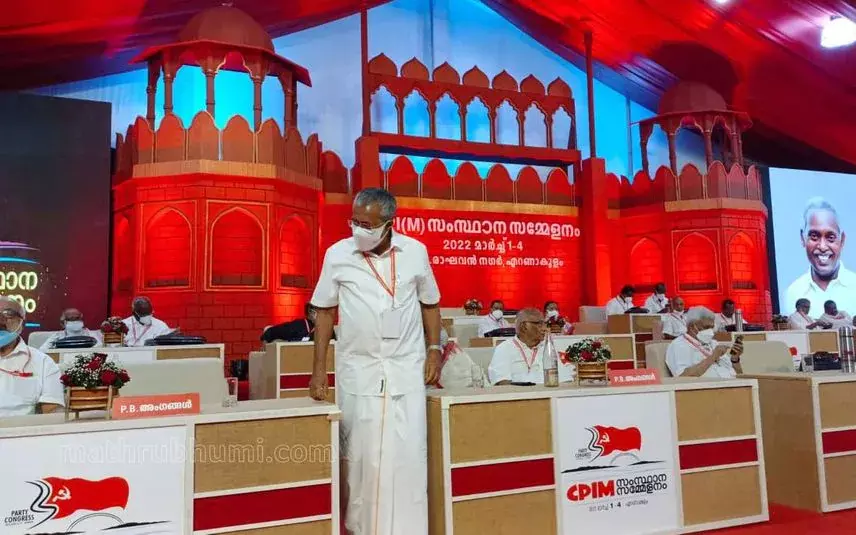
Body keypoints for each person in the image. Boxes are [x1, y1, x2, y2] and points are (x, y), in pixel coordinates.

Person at [308, 188, 442, 535]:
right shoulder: (338, 254)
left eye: (367, 224)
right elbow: (324, 312)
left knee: (408, 454)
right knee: (360, 458)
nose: (358, 230)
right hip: (359, 371)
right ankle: (361, 528)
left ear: (389, 224)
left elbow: (430, 303)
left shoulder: (415, 252)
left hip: (406, 368)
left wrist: (434, 349)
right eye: (354, 221)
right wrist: (319, 370)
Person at [785, 198, 856, 314]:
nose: (822, 247)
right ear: (803, 238)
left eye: (830, 237)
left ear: (842, 240)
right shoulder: (793, 293)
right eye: (814, 236)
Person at [0, 297, 64, 417]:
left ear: (21, 324)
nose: (0, 319)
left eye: (8, 314)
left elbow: (52, 412)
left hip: (22, 427)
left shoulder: (43, 362)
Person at [666, 306, 744, 378]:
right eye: (706, 327)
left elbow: (738, 374)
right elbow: (683, 376)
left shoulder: (713, 343)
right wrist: (713, 356)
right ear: (692, 327)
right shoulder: (678, 345)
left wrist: (735, 359)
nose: (710, 331)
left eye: (712, 327)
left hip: (733, 384)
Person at [488, 308, 548, 385]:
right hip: (517, 392)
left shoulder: (548, 348)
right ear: (524, 326)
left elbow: (562, 378)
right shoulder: (504, 348)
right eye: (540, 324)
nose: (544, 329)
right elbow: (501, 382)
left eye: (545, 324)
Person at [261, 303, 334, 343]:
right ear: (310, 313)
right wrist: (266, 339)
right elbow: (272, 331)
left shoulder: (327, 328)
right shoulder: (298, 326)